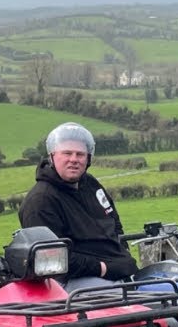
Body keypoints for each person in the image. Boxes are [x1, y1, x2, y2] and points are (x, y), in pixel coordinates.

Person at [18, 122, 137, 290]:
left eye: (80, 154)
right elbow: (53, 259)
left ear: (88, 158)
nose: (74, 159)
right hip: (70, 282)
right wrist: (104, 269)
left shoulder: (90, 184)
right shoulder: (41, 201)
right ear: (52, 156)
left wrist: (122, 254)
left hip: (116, 269)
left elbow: (114, 222)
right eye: (67, 153)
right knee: (133, 303)